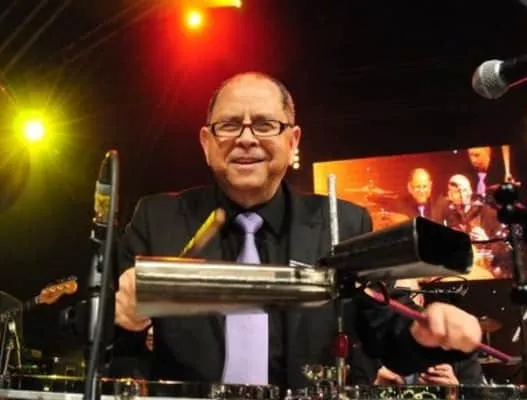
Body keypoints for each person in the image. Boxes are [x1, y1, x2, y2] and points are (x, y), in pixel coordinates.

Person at [115, 72, 482, 390]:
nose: (246, 138)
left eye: (264, 125)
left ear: (293, 140)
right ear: (206, 143)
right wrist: (124, 317)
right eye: (229, 125)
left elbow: (383, 328)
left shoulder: (344, 224)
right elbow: (102, 336)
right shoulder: (158, 219)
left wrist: (424, 333)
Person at [350, 279, 484, 386]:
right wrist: (377, 390)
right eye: (393, 297)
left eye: (407, 297)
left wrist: (455, 392)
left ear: (421, 300)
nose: (399, 305)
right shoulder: (364, 349)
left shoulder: (457, 348)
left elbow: (478, 394)